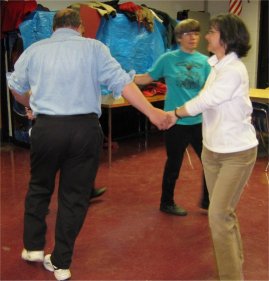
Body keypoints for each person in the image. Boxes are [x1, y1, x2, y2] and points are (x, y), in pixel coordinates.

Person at [7, 9, 174, 281]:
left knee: (39, 186)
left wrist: (31, 104)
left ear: (55, 28)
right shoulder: (94, 48)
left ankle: (33, 248)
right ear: (80, 27)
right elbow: (123, 84)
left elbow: (15, 86)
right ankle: (61, 263)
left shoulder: (36, 50)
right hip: (84, 130)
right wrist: (153, 114)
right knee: (74, 196)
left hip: (47, 128)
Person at [172, 14, 258, 280]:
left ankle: (231, 277)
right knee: (224, 216)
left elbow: (207, 100)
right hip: (212, 151)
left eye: (212, 31)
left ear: (225, 38)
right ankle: (234, 267)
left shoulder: (233, 70)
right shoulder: (216, 66)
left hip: (237, 154)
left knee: (219, 215)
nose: (207, 36)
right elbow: (203, 98)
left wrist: (175, 113)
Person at [134, 19, 211, 216]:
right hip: (174, 122)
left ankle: (208, 201)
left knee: (210, 163)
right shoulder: (167, 59)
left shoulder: (204, 62)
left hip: (199, 122)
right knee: (174, 164)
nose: (193, 37)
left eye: (196, 33)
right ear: (179, 38)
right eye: (188, 34)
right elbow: (145, 79)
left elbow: (211, 91)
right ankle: (166, 202)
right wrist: (122, 77)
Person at [25, 106, 107, 200]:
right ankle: (40, 202)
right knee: (45, 176)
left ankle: (88, 190)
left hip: (67, 126)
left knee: (81, 167)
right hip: (51, 128)